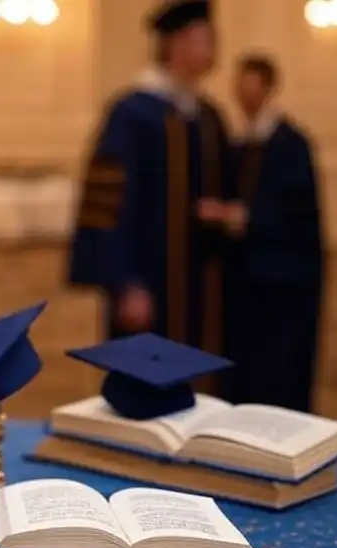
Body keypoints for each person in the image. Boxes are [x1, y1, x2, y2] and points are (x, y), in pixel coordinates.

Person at [69, 0, 235, 393]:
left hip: (202, 286)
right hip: (147, 284)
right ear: (175, 45)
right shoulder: (132, 113)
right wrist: (124, 283)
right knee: (141, 388)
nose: (213, 48)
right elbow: (106, 206)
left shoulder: (209, 116)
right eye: (203, 38)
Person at [224, 54, 325, 412]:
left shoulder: (291, 145)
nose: (244, 93)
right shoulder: (240, 144)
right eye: (240, 84)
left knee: (279, 376)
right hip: (247, 281)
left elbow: (299, 214)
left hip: (283, 283)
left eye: (251, 84)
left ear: (268, 88)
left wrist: (249, 219)